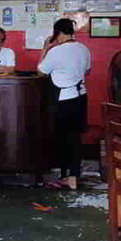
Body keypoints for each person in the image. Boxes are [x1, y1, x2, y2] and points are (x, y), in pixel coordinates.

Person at [37, 18, 91, 189]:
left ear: (58, 34)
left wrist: (45, 48)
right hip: (81, 96)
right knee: (75, 137)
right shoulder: (84, 49)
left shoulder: (56, 51)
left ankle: (65, 175)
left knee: (62, 138)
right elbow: (87, 70)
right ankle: (73, 176)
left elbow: (41, 71)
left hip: (64, 99)